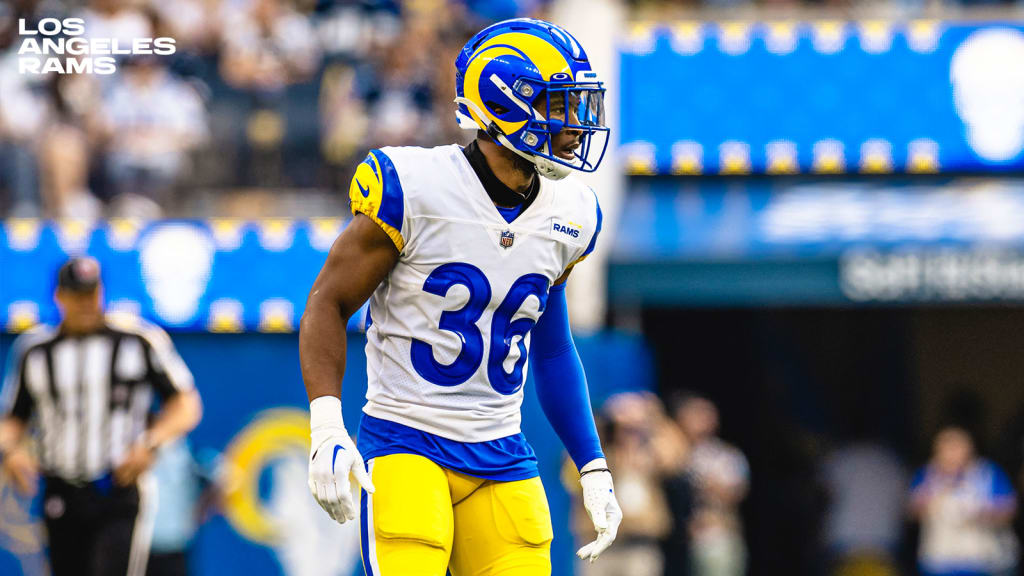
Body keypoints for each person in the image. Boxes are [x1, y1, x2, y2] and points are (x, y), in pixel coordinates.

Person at [299, 17, 619, 575]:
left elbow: (550, 347)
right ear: (506, 107)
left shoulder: (571, 213)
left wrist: (592, 464)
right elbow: (328, 302)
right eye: (560, 105)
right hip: (405, 439)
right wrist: (326, 424)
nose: (576, 125)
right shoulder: (415, 185)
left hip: (501, 448)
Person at [0, 256, 203, 576]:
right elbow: (13, 418)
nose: (85, 304)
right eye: (77, 295)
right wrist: (11, 452)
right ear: (59, 296)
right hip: (61, 487)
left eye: (91, 294)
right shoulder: (34, 350)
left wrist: (150, 443)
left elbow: (185, 404)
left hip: (117, 486)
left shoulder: (138, 339)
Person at [909, 426, 1019, 576]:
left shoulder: (988, 473)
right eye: (946, 445)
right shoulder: (927, 474)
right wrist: (930, 500)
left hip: (981, 560)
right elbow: (912, 512)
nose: (952, 452)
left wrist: (981, 516)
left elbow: (1009, 511)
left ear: (970, 448)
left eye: (957, 445)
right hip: (937, 560)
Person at [674, 394, 749, 576]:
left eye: (706, 415)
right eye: (695, 414)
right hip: (676, 542)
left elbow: (737, 493)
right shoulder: (673, 451)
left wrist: (707, 485)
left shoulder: (724, 455)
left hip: (713, 539)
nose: (701, 421)